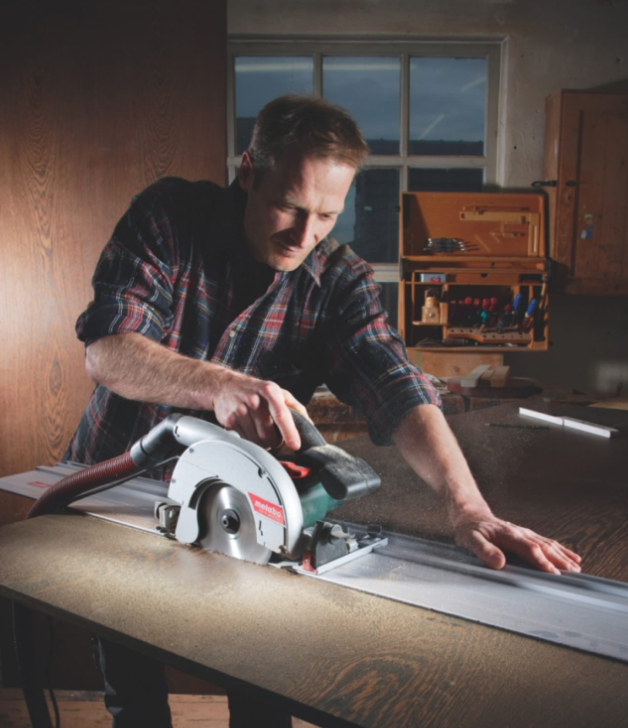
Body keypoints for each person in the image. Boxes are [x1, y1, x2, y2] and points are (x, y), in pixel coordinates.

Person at [67, 95, 581, 728]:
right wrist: (219, 385)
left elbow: (397, 388)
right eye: (289, 205)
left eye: (327, 215)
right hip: (118, 489)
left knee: (261, 688)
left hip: (249, 515)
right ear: (249, 171)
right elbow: (107, 350)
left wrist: (468, 507)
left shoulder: (339, 281)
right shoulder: (169, 217)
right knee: (135, 694)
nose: (304, 235)